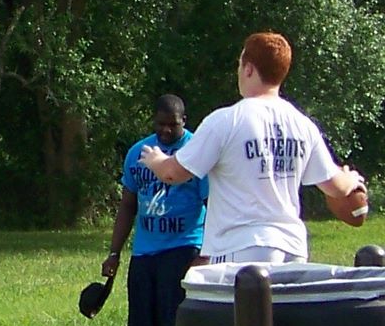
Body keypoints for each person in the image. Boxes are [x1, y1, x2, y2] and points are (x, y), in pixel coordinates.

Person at [140, 32, 365, 263]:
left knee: (235, 291)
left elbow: (173, 173)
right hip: (292, 247)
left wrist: (156, 160)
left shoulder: (227, 120)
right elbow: (336, 187)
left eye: (240, 64)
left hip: (241, 244)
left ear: (248, 69)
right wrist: (350, 179)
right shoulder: (302, 123)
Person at [102, 95, 208, 326]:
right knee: (143, 320)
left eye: (172, 125)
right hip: (145, 249)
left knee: (178, 320)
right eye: (160, 124)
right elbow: (128, 205)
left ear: (184, 121)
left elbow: (211, 203)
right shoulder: (140, 152)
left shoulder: (196, 152)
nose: (165, 130)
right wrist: (114, 252)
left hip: (184, 245)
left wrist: (206, 251)